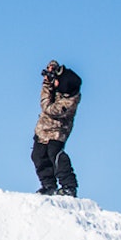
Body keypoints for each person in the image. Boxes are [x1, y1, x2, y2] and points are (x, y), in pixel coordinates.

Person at [32, 60, 82, 197]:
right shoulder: (62, 83)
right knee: (38, 155)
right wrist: (53, 69)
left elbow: (47, 107)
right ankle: (48, 185)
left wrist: (47, 85)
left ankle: (69, 186)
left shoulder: (68, 101)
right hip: (43, 130)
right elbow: (55, 66)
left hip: (57, 131)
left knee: (55, 155)